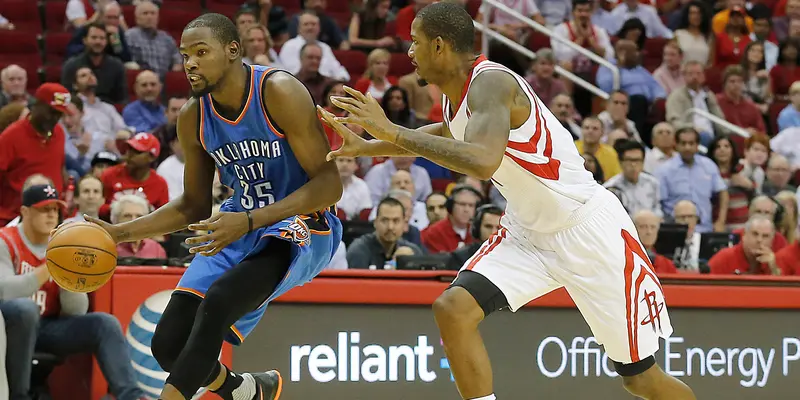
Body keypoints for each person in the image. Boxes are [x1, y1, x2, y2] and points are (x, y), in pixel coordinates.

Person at [318, 3, 696, 400]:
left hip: (590, 232)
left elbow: (482, 161)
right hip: (528, 232)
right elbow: (450, 132)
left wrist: (393, 132)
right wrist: (369, 146)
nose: (409, 51)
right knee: (453, 309)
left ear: (441, 46)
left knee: (640, 379)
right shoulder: (458, 94)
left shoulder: (491, 84)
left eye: (416, 42)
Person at [85, 13, 343, 400]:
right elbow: (193, 205)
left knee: (219, 301)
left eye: (201, 52)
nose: (190, 63)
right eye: (185, 55)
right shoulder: (193, 117)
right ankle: (246, 391)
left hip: (303, 221)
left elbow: (329, 185)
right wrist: (118, 233)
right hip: (238, 222)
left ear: (233, 50)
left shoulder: (278, 91)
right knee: (167, 345)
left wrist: (251, 219)